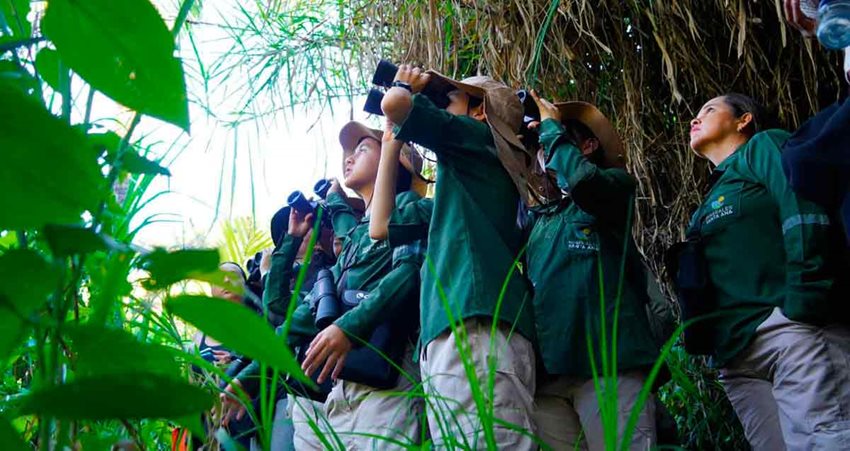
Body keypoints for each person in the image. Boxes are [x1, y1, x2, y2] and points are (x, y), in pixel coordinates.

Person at [670, 93, 850, 450]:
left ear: (744, 120)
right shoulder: (709, 199)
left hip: (790, 333)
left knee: (825, 442)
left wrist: (803, 299)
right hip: (738, 359)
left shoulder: (764, 147)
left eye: (708, 110)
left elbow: (801, 206)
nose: (695, 118)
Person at [381, 65, 538, 449]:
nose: (440, 105)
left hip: (474, 328)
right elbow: (381, 225)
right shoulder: (465, 186)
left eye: (449, 98)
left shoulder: (479, 139)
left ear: (480, 111)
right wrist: (390, 144)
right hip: (462, 330)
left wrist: (406, 84)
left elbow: (396, 105)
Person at [524, 92, 661, 450]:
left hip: (610, 364)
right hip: (550, 379)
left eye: (556, 137)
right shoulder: (538, 221)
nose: (545, 145)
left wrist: (551, 128)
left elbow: (584, 183)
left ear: (587, 145)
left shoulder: (614, 188)